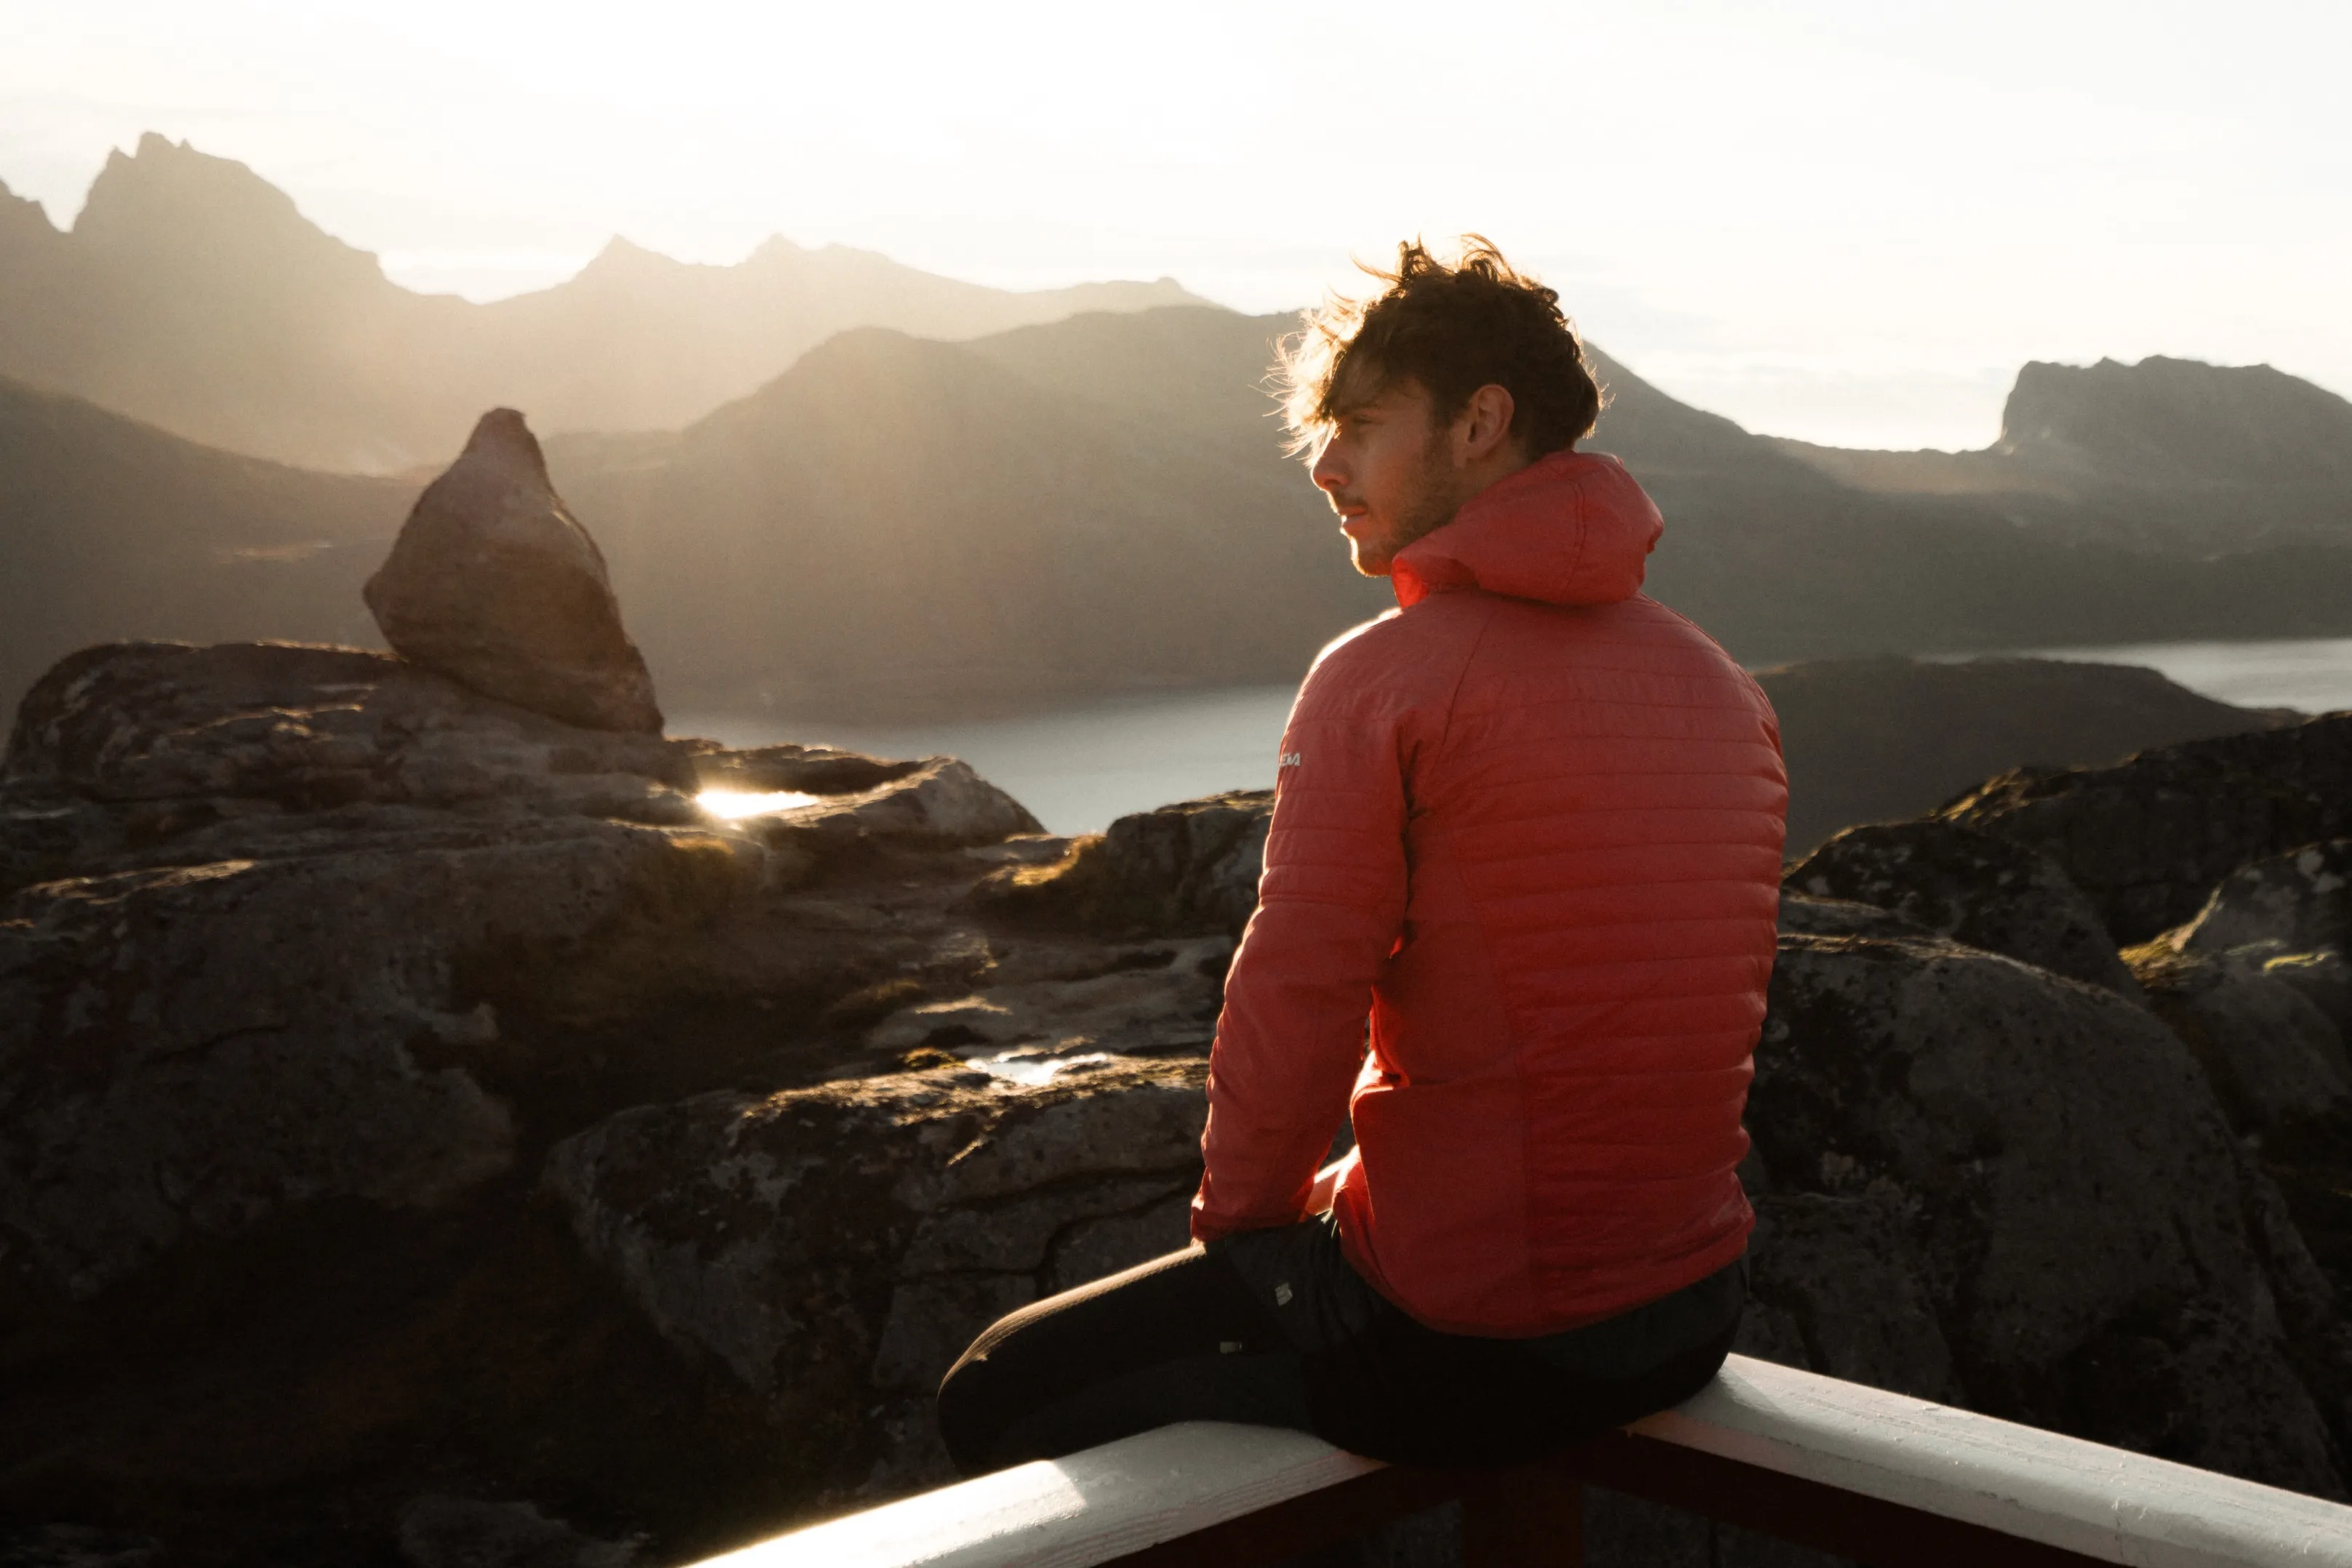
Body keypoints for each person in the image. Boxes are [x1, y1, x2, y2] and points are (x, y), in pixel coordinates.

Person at [936, 237, 1787, 1473]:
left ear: (1480, 422)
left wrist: (1242, 1243)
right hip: (1690, 1310)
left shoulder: (1384, 678)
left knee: (995, 1392)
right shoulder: (1722, 684)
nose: (1325, 467)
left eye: (1361, 425)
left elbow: (1301, 987)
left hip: (1473, 1340)